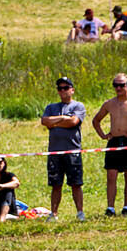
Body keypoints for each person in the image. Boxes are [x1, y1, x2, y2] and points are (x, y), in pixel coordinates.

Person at [91, 73, 127, 215]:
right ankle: (110, 207)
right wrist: (103, 135)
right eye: (115, 85)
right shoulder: (109, 104)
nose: (118, 88)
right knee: (111, 175)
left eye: (121, 85)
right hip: (114, 141)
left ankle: (126, 207)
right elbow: (96, 120)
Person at [41, 76, 86, 219]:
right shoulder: (51, 107)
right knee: (56, 184)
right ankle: (53, 214)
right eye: (60, 88)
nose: (62, 91)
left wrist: (55, 122)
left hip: (72, 151)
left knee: (76, 184)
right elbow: (45, 121)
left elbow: (73, 122)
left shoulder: (78, 106)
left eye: (66, 88)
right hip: (55, 152)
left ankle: (80, 213)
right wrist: (63, 118)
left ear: (72, 90)